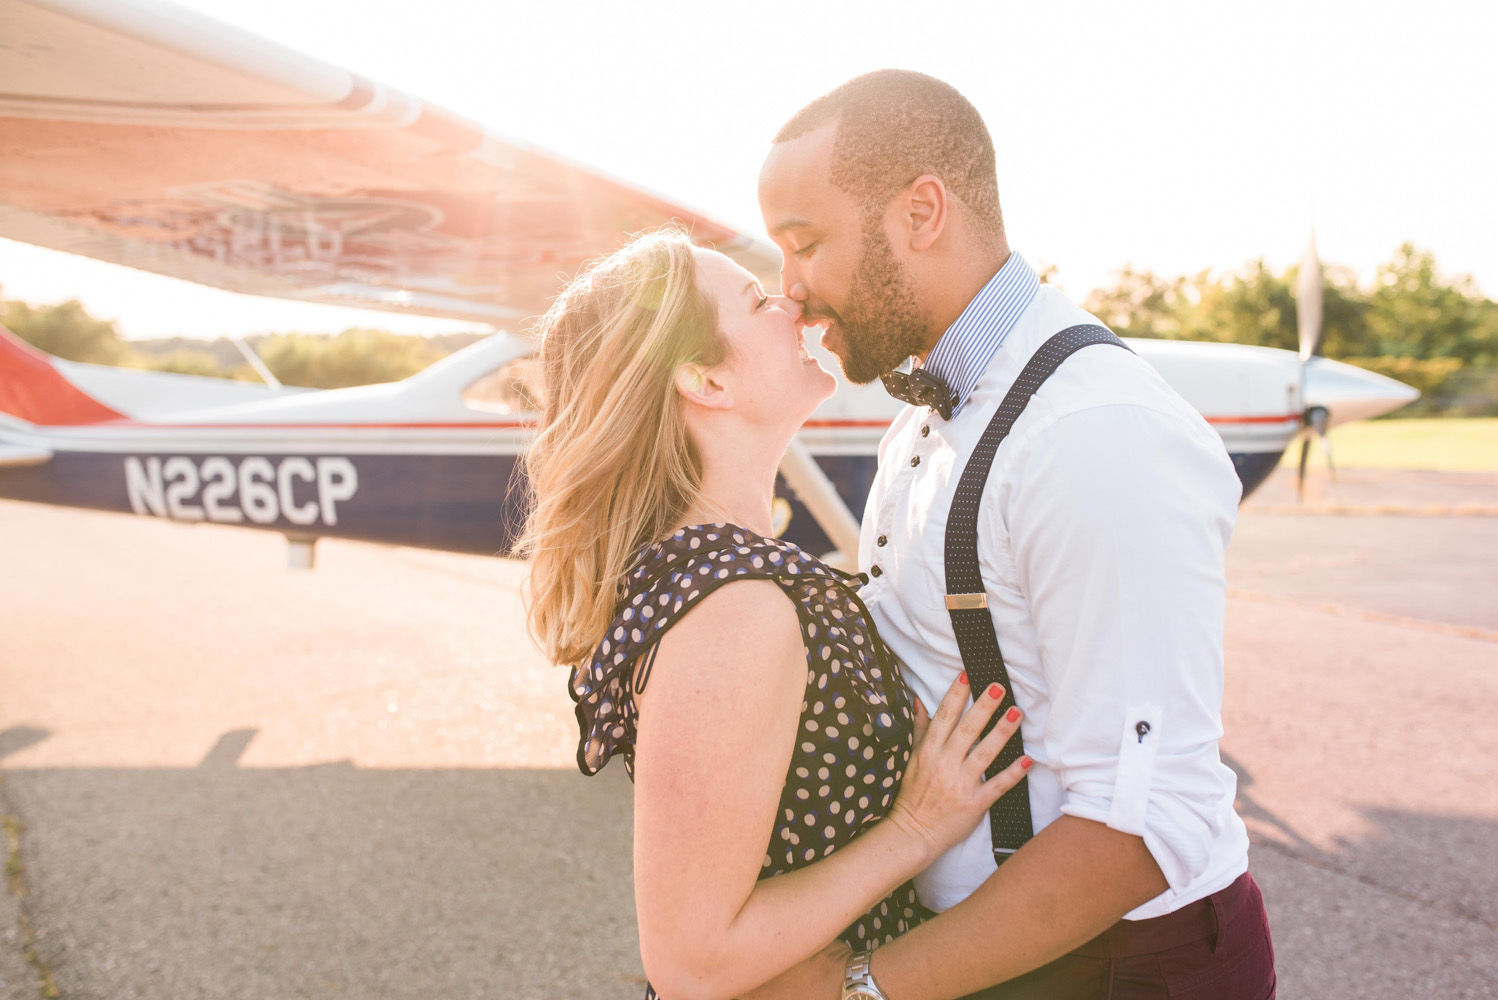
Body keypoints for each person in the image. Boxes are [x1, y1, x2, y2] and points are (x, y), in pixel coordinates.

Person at [753, 70, 1276, 999]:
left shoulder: (1095, 435)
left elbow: (1142, 826)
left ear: (922, 213)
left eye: (806, 245)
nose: (789, 292)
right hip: (987, 954)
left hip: (1115, 967)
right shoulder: (919, 419)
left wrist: (862, 990)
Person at [519, 227, 1035, 1000]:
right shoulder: (737, 610)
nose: (791, 302)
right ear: (705, 380)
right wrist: (916, 830)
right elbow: (693, 962)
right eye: (757, 300)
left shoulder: (723, 573)